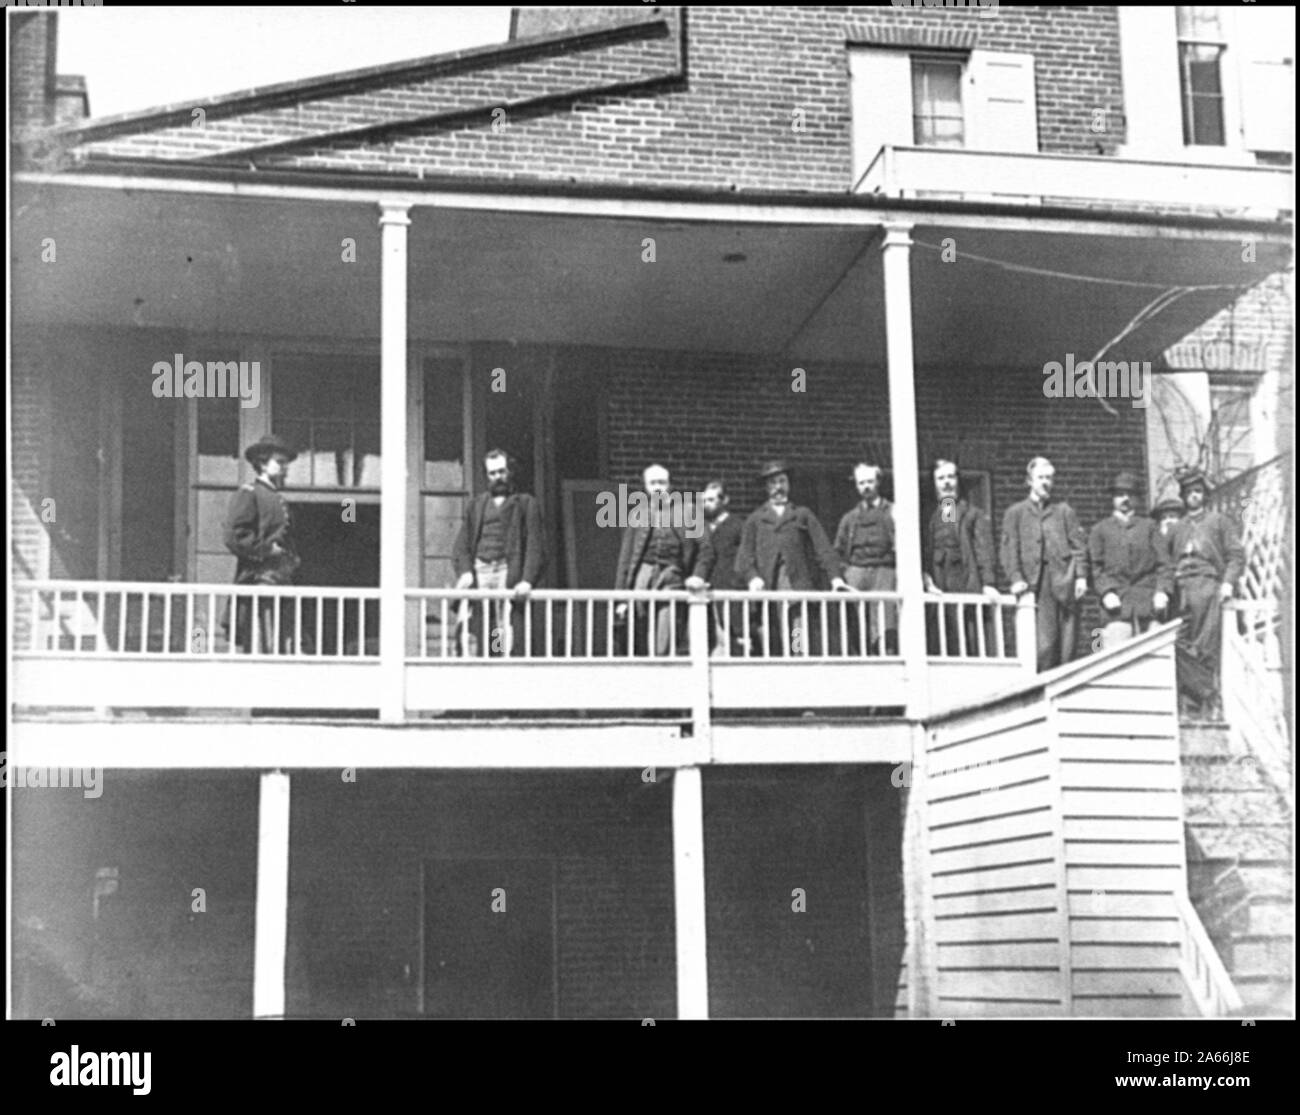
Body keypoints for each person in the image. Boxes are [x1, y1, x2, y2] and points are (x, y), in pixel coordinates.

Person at [737, 460, 849, 656]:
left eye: (782, 481)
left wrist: (836, 577)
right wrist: (753, 577)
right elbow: (744, 557)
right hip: (769, 590)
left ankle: (798, 660)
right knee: (774, 639)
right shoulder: (756, 519)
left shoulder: (802, 514)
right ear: (766, 487)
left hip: (797, 587)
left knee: (798, 633)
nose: (778, 487)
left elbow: (824, 549)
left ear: (788, 484)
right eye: (773, 483)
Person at [452, 449, 545, 657]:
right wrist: (466, 571)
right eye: (492, 473)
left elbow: (535, 546)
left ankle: (499, 662)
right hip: (481, 569)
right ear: (487, 476)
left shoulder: (525, 504)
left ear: (510, 472)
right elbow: (461, 546)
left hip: (506, 569)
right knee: (480, 619)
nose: (498, 478)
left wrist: (528, 579)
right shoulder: (477, 505)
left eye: (501, 472)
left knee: (503, 622)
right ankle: (480, 662)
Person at [1168, 467, 1244, 718]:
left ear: (1204, 495)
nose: (1194, 496)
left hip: (1207, 585)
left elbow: (1236, 555)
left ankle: (1204, 705)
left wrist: (1228, 583)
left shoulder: (1219, 521)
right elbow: (1165, 562)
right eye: (1189, 492)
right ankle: (1200, 696)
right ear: (1183, 496)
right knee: (1178, 643)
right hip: (1180, 588)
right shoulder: (1176, 529)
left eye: (1198, 491)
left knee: (1205, 646)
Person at [1001, 456, 1088, 671]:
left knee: (1068, 646)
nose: (1046, 482)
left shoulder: (1064, 512)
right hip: (1035, 586)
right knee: (1044, 647)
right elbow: (1009, 550)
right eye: (1040, 478)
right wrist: (1016, 578)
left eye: (1049, 478)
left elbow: (1079, 546)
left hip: (1064, 583)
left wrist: (1081, 576)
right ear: (1029, 481)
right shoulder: (1016, 513)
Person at [614, 464, 706, 656]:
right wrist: (621, 598)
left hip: (672, 575)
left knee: (666, 631)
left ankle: (662, 664)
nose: (657, 488)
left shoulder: (688, 511)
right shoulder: (638, 514)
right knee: (638, 628)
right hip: (643, 574)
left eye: (662, 483)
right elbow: (626, 557)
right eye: (653, 483)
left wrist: (698, 575)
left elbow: (706, 550)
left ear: (670, 485)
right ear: (646, 487)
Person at [223, 434, 301, 654]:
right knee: (262, 641)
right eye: (280, 462)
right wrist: (266, 550)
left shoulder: (277, 497)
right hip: (259, 579)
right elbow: (234, 537)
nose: (285, 468)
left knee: (283, 641)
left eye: (286, 463)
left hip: (281, 579)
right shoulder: (250, 493)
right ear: (263, 463)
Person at [922, 458, 1000, 657]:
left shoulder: (972, 514)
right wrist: (925, 577)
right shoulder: (929, 516)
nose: (946, 482)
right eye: (941, 478)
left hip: (964, 579)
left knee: (967, 635)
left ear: (958, 480)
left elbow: (984, 551)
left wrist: (988, 582)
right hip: (938, 582)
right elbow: (926, 549)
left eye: (950, 477)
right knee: (941, 635)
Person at [1088, 471, 1172, 650]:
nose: (1125, 499)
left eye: (1130, 494)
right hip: (1116, 608)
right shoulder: (1100, 530)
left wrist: (1162, 591)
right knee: (1114, 661)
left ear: (1137, 499)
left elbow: (1164, 564)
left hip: (1148, 606)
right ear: (1113, 499)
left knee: (1154, 658)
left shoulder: (1149, 527)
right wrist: (1106, 592)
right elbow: (1095, 568)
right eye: (1120, 495)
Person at [834, 463, 897, 654]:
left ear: (878, 482)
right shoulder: (850, 518)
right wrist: (843, 573)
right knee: (856, 621)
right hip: (857, 572)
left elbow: (946, 532)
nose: (866, 486)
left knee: (885, 624)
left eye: (870, 481)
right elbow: (838, 549)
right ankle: (860, 657)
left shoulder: (894, 512)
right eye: (861, 483)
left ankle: (887, 658)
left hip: (884, 571)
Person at [694, 480, 748, 656]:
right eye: (704, 500)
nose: (706, 504)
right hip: (707, 593)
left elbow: (746, 559)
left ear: (725, 500)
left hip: (731, 592)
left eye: (711, 500)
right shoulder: (701, 528)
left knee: (736, 642)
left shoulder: (738, 526)